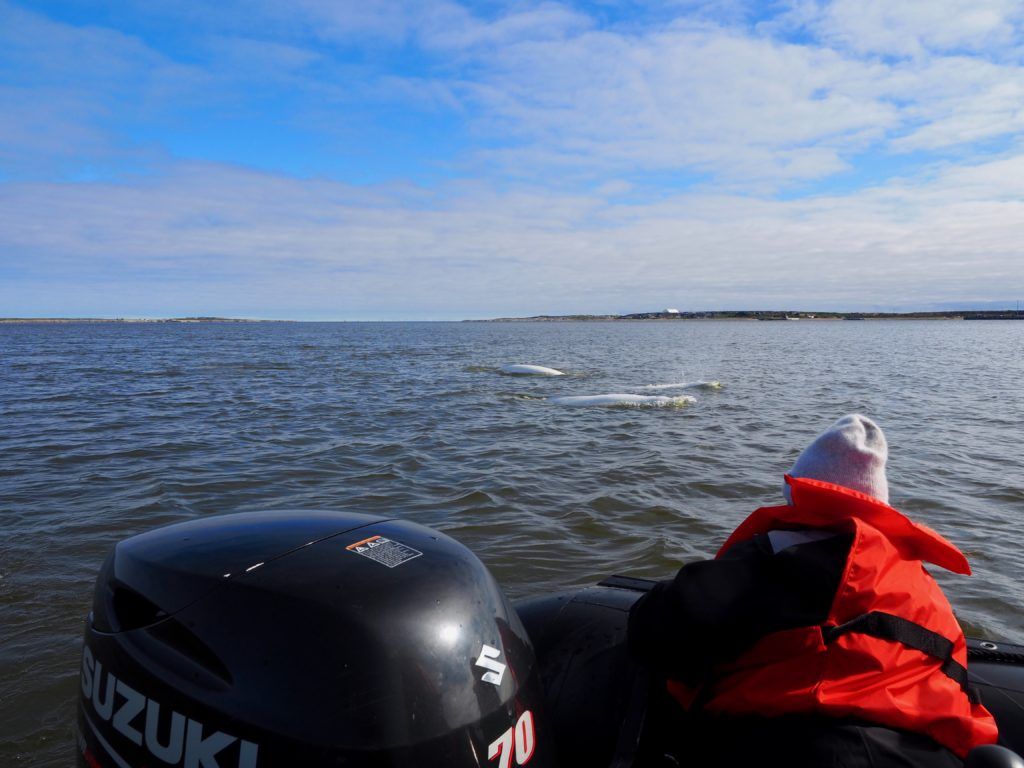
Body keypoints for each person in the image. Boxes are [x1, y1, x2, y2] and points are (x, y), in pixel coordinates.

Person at [628, 414, 999, 767]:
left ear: (796, 493)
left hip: (779, 748)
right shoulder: (922, 587)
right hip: (920, 754)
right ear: (880, 508)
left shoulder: (765, 560)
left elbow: (651, 630)